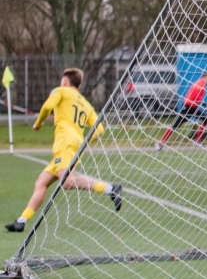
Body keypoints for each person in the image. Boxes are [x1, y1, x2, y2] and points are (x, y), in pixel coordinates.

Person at [6, 68, 122, 232]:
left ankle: (110, 188)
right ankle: (21, 221)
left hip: (64, 143)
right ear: (79, 86)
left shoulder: (60, 91)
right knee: (41, 182)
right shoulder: (85, 103)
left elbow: (47, 107)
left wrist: (38, 124)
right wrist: (83, 142)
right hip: (73, 144)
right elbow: (100, 129)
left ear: (65, 82)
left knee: (67, 182)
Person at [156, 71, 207, 150]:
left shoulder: (203, 84)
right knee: (175, 125)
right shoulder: (200, 83)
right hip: (187, 107)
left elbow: (198, 98)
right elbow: (198, 97)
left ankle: (198, 141)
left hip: (193, 107)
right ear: (206, 77)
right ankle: (160, 143)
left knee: (205, 119)